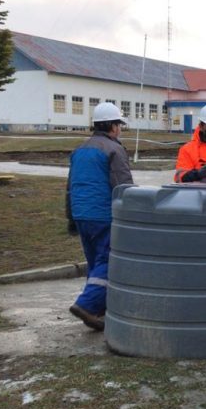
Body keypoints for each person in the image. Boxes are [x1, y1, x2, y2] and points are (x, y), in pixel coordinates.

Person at [66, 102, 133, 331]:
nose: (120, 129)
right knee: (108, 261)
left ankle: (96, 309)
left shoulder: (80, 149)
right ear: (113, 126)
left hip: (81, 214)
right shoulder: (113, 149)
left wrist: (70, 217)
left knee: (95, 262)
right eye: (119, 125)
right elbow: (123, 186)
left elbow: (70, 186)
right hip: (103, 215)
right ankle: (85, 305)